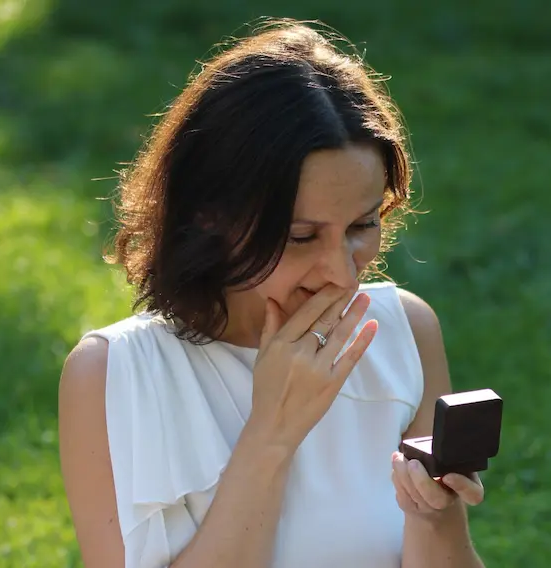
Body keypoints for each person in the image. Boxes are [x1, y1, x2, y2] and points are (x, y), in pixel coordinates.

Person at [58, 19, 486, 568]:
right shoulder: (114, 375)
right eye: (300, 236)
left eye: (361, 226)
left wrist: (432, 515)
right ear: (210, 215)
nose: (342, 274)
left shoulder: (404, 332)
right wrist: (272, 433)